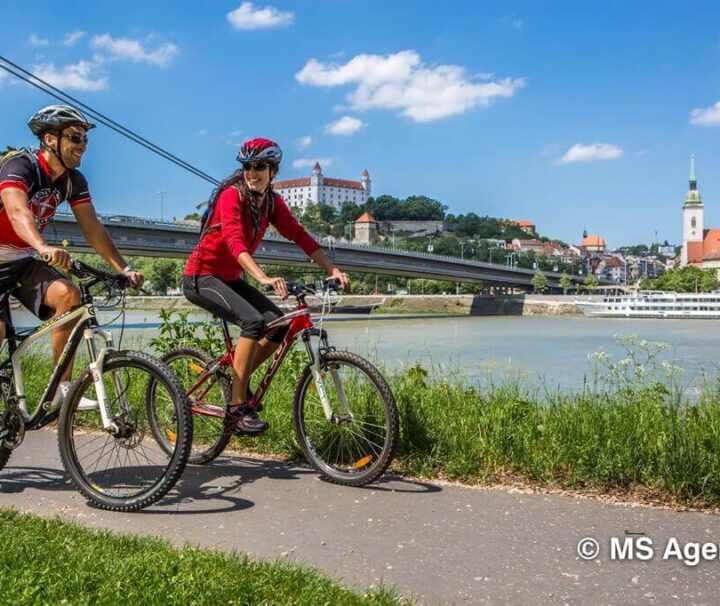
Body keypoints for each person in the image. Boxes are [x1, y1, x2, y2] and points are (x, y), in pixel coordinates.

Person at [183, 137, 349, 435]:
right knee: (253, 321)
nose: (252, 172)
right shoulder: (231, 196)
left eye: (259, 166)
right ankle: (236, 407)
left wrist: (332, 269)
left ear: (273, 170)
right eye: (247, 166)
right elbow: (234, 241)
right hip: (201, 277)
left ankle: (238, 382)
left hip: (230, 278)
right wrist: (262, 277)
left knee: (277, 325)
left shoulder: (272, 202)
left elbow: (300, 235)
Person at [0, 105, 144, 408]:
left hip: (24, 260)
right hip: (15, 253)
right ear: (51, 140)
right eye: (75, 137)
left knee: (68, 295)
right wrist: (42, 246)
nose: (82, 145)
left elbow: (92, 227)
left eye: (85, 140)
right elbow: (17, 211)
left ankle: (62, 392)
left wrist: (124, 268)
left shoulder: (73, 181)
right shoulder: (20, 165)